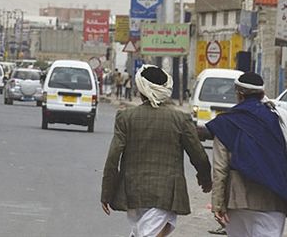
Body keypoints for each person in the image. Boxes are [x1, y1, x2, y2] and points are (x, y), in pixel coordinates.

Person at [101, 64, 212, 237]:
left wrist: (107, 192)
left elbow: (113, 158)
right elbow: (198, 155)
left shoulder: (126, 117)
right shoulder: (180, 119)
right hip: (166, 194)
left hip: (133, 192)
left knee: (141, 233)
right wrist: (205, 179)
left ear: (141, 89)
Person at [206, 72, 287, 237]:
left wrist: (218, 205)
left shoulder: (226, 122)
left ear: (239, 94)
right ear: (262, 94)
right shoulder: (279, 120)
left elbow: (220, 169)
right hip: (273, 200)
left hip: (237, 201)